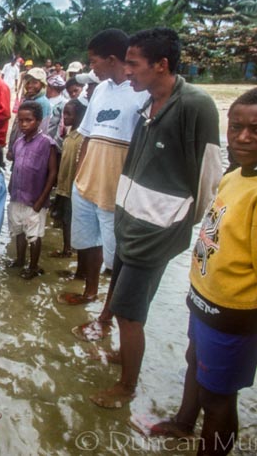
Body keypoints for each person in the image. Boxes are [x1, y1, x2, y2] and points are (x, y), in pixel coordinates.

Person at [152, 85, 257, 454]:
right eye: (235, 127)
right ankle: (183, 422)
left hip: (234, 311)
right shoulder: (237, 175)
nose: (242, 138)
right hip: (204, 296)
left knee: (218, 398)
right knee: (194, 361)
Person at [87, 28, 221, 409]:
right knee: (123, 300)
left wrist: (177, 222)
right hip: (130, 221)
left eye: (134, 63)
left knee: (130, 312)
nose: (127, 71)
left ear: (161, 64)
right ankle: (126, 356)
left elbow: (209, 176)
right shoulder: (148, 103)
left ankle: (126, 387)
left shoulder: (195, 105)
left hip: (156, 230)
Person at [64, 29, 148, 308]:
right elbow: (87, 136)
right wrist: (78, 176)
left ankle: (108, 314)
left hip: (116, 189)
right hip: (86, 183)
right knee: (88, 242)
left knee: (116, 257)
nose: (92, 68)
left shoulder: (141, 93)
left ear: (112, 59)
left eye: (93, 61)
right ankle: (90, 292)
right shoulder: (99, 90)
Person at [7, 100, 57, 279]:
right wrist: (11, 186)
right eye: (20, 120)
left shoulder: (47, 143)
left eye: (28, 120)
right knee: (18, 230)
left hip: (35, 198)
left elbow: (53, 173)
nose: (24, 124)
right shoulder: (18, 142)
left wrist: (41, 200)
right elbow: (15, 166)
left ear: (38, 121)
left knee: (34, 235)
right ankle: (20, 260)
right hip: (17, 196)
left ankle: (33, 267)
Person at [52, 99, 87, 265]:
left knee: (69, 219)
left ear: (79, 116)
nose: (64, 117)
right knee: (63, 218)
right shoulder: (69, 133)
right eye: (64, 113)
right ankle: (67, 248)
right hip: (63, 185)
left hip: (73, 186)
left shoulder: (82, 138)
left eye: (69, 114)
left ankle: (69, 250)